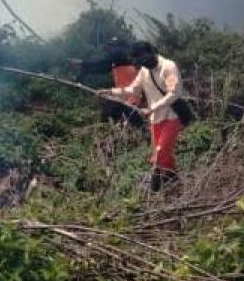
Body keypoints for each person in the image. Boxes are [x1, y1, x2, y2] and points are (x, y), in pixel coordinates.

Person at [99, 41, 182, 191]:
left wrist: (152, 107)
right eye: (137, 61)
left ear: (150, 53)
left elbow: (174, 93)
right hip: (155, 118)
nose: (140, 63)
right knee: (164, 154)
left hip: (172, 116)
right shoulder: (144, 71)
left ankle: (155, 187)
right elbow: (132, 90)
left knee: (160, 151)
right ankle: (173, 180)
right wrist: (109, 91)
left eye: (141, 59)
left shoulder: (168, 67)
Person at [71, 38, 143, 126]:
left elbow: (102, 63)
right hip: (124, 96)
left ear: (116, 46)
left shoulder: (121, 53)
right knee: (110, 113)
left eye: (111, 47)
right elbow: (103, 68)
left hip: (131, 97)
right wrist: (83, 67)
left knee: (132, 120)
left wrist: (83, 63)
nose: (108, 50)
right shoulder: (118, 60)